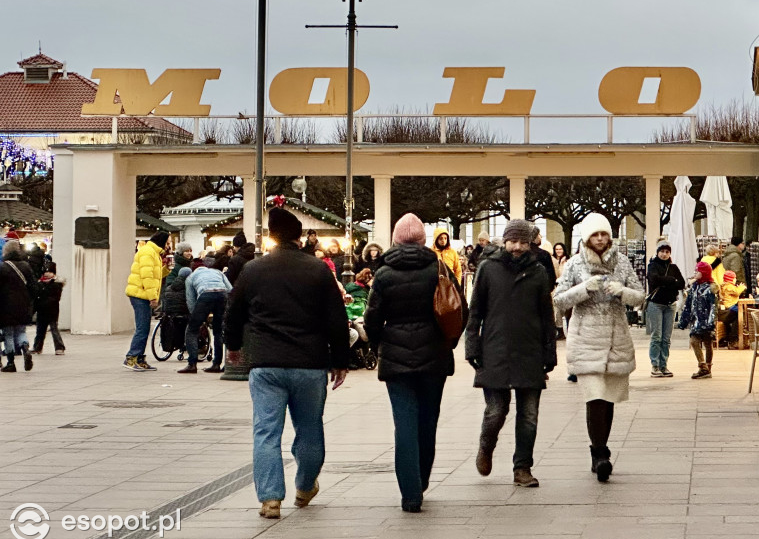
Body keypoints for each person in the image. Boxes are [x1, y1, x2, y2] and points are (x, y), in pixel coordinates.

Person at [224, 206, 350, 519]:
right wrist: (340, 360)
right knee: (309, 428)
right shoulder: (318, 270)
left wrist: (233, 346)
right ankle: (305, 486)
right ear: (298, 236)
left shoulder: (253, 270)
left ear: (272, 236)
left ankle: (270, 499)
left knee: (266, 432)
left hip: (266, 363)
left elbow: (233, 311)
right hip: (310, 363)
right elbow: (336, 318)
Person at [364, 213, 465, 512]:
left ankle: (410, 493)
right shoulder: (439, 267)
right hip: (434, 357)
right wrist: (449, 343)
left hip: (396, 361)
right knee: (428, 421)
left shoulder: (383, 273)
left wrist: (380, 344)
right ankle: (421, 479)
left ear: (395, 240)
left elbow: (372, 319)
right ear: (423, 240)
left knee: (404, 424)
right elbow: (460, 309)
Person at [554, 213, 645, 482]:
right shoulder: (574, 264)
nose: (601, 239)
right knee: (594, 396)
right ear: (587, 237)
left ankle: (601, 450)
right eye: (595, 234)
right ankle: (599, 454)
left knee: (608, 399)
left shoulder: (623, 262)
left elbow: (640, 296)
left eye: (604, 234)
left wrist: (622, 291)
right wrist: (584, 288)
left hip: (616, 339)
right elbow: (559, 300)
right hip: (586, 340)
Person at [466, 218, 556, 488]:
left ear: (530, 244)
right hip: (495, 349)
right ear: (504, 241)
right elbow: (475, 312)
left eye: (523, 242)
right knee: (496, 410)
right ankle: (486, 444)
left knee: (529, 415)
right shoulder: (488, 269)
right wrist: (472, 346)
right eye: (513, 241)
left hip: (529, 351)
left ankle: (522, 468)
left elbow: (546, 316)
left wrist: (549, 353)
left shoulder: (538, 271)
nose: (517, 247)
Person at [123, 232, 169, 371]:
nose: (168, 246)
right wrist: (153, 297)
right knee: (142, 328)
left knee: (145, 328)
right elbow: (147, 277)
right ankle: (132, 357)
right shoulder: (148, 253)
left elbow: (154, 275)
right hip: (140, 294)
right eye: (167, 243)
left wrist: (166, 270)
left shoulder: (153, 253)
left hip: (142, 293)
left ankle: (140, 358)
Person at [179, 256, 232, 374]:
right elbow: (230, 289)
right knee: (218, 331)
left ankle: (192, 364)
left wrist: (197, 317)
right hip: (222, 294)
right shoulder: (218, 272)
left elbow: (190, 299)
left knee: (192, 330)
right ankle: (217, 364)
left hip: (205, 295)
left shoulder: (191, 277)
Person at [646, 242, 685, 377]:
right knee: (657, 335)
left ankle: (664, 365)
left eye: (667, 252)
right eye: (662, 251)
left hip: (670, 305)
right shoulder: (652, 266)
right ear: (657, 252)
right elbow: (653, 279)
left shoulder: (673, 267)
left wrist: (667, 281)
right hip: (656, 304)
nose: (664, 254)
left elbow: (681, 283)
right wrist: (671, 281)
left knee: (666, 337)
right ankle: (655, 365)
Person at [0, 240, 35, 372]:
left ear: (6, 251)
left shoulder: (2, 267)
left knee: (8, 334)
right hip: (23, 304)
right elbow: (33, 286)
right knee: (21, 331)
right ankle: (25, 347)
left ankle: (11, 362)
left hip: (6, 306)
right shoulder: (26, 266)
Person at [679, 261, 718, 379]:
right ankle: (703, 366)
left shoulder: (712, 288)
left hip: (706, 322)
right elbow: (688, 305)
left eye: (698, 271)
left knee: (708, 343)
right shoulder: (694, 287)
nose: (695, 273)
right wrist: (684, 321)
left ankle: (707, 367)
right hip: (696, 321)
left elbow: (714, 307)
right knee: (694, 341)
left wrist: (711, 321)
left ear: (704, 272)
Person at [32, 262, 66, 355]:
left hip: (52, 311)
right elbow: (36, 296)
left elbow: (55, 298)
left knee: (54, 330)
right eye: (45, 271)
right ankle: (37, 347)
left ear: (53, 273)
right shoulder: (40, 283)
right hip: (41, 310)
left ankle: (59, 347)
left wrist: (44, 301)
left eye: (50, 271)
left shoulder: (56, 284)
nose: (47, 273)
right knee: (40, 330)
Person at [717, 270, 747, 345]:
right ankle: (735, 337)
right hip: (730, 307)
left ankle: (732, 338)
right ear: (730, 279)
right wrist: (742, 287)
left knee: (737, 319)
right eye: (734, 278)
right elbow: (737, 292)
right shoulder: (729, 287)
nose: (735, 280)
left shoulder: (724, 286)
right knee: (740, 313)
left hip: (728, 308)